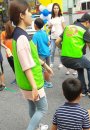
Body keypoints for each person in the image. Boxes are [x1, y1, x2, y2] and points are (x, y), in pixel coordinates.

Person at [9, 1, 53, 130]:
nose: (31, 15)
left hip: (25, 81)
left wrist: (45, 65)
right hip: (32, 81)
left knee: (33, 106)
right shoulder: (22, 37)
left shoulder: (19, 33)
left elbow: (31, 57)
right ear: (22, 16)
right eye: (29, 12)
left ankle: (37, 126)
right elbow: (26, 65)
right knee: (43, 108)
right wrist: (34, 87)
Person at [56, 13, 90, 96]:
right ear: (87, 22)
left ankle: (83, 90)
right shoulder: (84, 30)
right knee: (89, 66)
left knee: (80, 68)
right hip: (75, 58)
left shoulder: (68, 27)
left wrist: (63, 49)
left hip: (63, 59)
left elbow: (57, 42)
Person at [32, 18, 53, 88]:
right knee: (47, 68)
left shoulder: (35, 35)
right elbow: (48, 43)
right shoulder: (44, 33)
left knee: (43, 69)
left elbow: (34, 47)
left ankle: (48, 83)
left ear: (35, 25)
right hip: (47, 53)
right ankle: (47, 81)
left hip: (41, 54)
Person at [48, 3, 65, 69]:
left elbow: (64, 27)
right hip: (53, 37)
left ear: (59, 9)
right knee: (52, 50)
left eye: (57, 8)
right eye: (54, 8)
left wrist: (64, 36)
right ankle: (51, 62)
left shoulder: (61, 17)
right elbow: (49, 27)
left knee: (60, 51)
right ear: (53, 9)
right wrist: (50, 26)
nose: (56, 9)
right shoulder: (51, 17)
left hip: (60, 37)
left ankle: (61, 63)